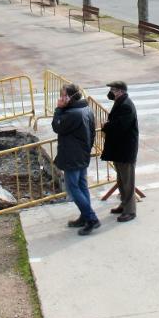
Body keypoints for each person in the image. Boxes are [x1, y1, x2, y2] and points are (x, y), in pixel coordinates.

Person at [52, 83, 99, 235]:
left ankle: (91, 218)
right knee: (82, 185)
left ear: (71, 96)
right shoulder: (86, 109)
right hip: (82, 154)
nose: (61, 98)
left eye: (64, 95)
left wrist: (58, 109)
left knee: (74, 188)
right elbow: (92, 133)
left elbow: (57, 126)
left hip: (73, 156)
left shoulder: (72, 114)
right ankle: (85, 216)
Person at [101, 80, 139, 222]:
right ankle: (124, 204)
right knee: (121, 180)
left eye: (113, 90)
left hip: (126, 150)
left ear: (120, 91)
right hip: (120, 149)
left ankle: (130, 211)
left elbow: (119, 127)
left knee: (128, 182)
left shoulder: (126, 106)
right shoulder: (120, 102)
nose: (110, 92)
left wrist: (106, 126)